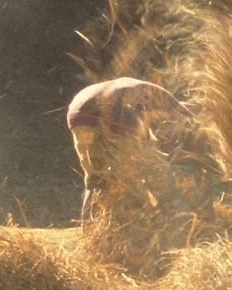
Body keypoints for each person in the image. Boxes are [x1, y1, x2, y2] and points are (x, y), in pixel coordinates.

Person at [66, 76, 183, 220]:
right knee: (128, 174)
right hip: (108, 115)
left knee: (94, 178)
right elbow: (182, 113)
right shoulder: (154, 94)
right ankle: (147, 218)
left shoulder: (127, 90)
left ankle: (90, 227)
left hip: (78, 118)